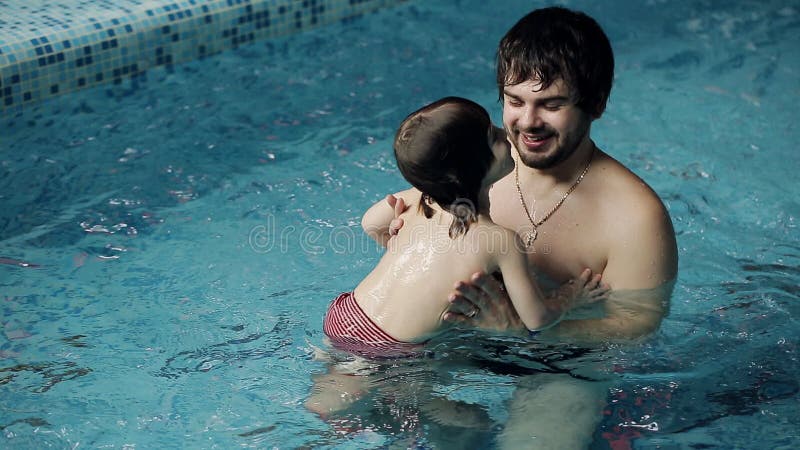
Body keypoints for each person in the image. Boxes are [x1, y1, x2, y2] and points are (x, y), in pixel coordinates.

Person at [380, 6, 678, 448]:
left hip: (563, 363)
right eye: (515, 101)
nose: (528, 123)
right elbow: (400, 221)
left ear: (595, 103)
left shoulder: (635, 216)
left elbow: (635, 327)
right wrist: (398, 234)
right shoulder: (478, 166)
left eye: (552, 104)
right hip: (456, 337)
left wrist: (523, 330)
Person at [322, 96, 608, 357]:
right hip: (391, 347)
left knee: (335, 384)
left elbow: (369, 222)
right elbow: (536, 319)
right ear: (471, 170)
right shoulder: (501, 241)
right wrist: (570, 297)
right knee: (465, 416)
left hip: (345, 314)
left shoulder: (419, 200)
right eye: (493, 137)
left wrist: (394, 238)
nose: (506, 135)